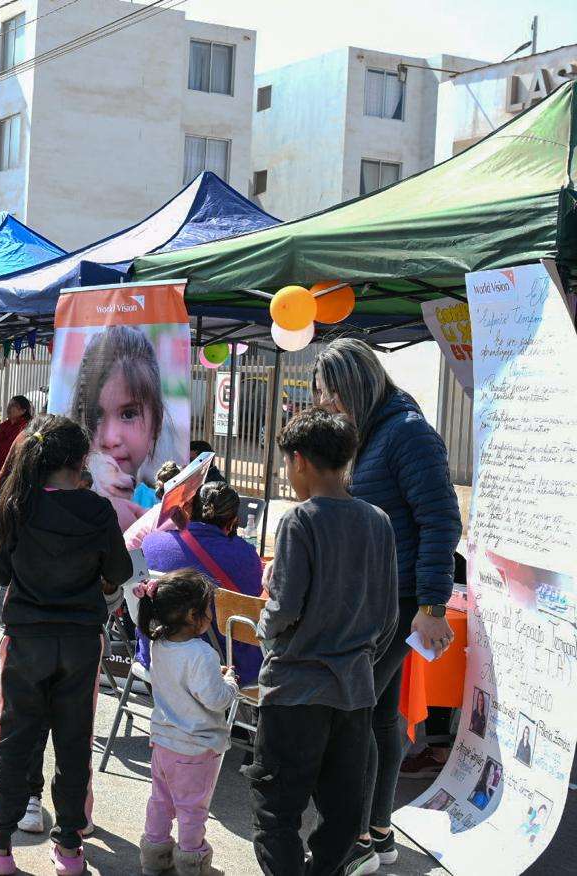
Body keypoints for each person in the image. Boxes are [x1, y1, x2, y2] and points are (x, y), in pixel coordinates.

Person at [313, 338, 461, 868]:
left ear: (356, 385)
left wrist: (432, 604)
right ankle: (378, 833)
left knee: (354, 715)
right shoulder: (372, 432)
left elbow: (441, 521)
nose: (327, 406)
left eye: (332, 395)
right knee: (378, 718)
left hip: (397, 604)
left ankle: (355, 840)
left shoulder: (407, 433)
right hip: (374, 600)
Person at [0, 414, 131, 876]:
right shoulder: (99, 510)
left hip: (28, 641)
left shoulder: (15, 506)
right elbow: (119, 572)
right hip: (81, 642)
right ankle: (68, 850)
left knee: (16, 740)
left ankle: (0, 847)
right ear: (80, 461)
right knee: (73, 743)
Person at [246, 407, 398, 876]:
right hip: (353, 693)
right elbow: (389, 613)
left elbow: (284, 606)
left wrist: (262, 629)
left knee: (277, 812)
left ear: (299, 461)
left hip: (295, 691)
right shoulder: (378, 521)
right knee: (342, 812)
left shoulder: (300, 521)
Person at [136, 569, 239, 876]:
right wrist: (231, 682)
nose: (212, 614)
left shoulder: (159, 642)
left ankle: (154, 858)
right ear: (194, 615)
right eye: (209, 609)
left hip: (163, 742)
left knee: (161, 801)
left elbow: (180, 681)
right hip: (196, 747)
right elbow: (216, 699)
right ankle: (192, 862)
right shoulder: (202, 653)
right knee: (192, 809)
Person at [139, 480, 264, 685]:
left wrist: (184, 527)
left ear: (190, 508)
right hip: (223, 665)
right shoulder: (245, 555)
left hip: (157, 654)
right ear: (233, 521)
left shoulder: (151, 543)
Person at [69, 325, 169, 530]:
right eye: (96, 415)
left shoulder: (161, 511)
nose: (110, 438)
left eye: (129, 414)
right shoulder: (64, 501)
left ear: (156, 424)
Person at [0, 395, 33, 479]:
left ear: (23, 411)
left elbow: (6, 452)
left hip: (9, 478)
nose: (9, 407)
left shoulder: (24, 428)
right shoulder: (6, 424)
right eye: (9, 404)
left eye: (14, 405)